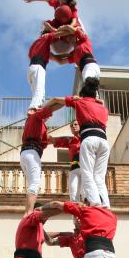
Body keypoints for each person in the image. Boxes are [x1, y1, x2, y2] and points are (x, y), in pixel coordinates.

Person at [48, 78, 110, 208]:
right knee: (99, 177)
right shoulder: (103, 108)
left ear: (83, 94)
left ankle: (95, 203)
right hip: (104, 142)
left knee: (87, 173)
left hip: (89, 139)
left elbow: (58, 100)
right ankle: (105, 204)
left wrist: (46, 108)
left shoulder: (80, 102)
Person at [20, 99, 62, 215]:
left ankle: (27, 211)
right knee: (34, 183)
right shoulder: (36, 116)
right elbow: (51, 108)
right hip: (32, 153)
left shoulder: (36, 123)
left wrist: (66, 141)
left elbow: (49, 140)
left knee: (31, 185)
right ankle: (28, 212)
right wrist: (66, 102)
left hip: (25, 153)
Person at [49, 120, 82, 202]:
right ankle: (75, 214)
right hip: (74, 168)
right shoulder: (70, 140)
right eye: (71, 125)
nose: (73, 126)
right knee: (73, 195)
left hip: (86, 168)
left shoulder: (87, 138)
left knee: (86, 194)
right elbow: (54, 140)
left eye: (75, 124)